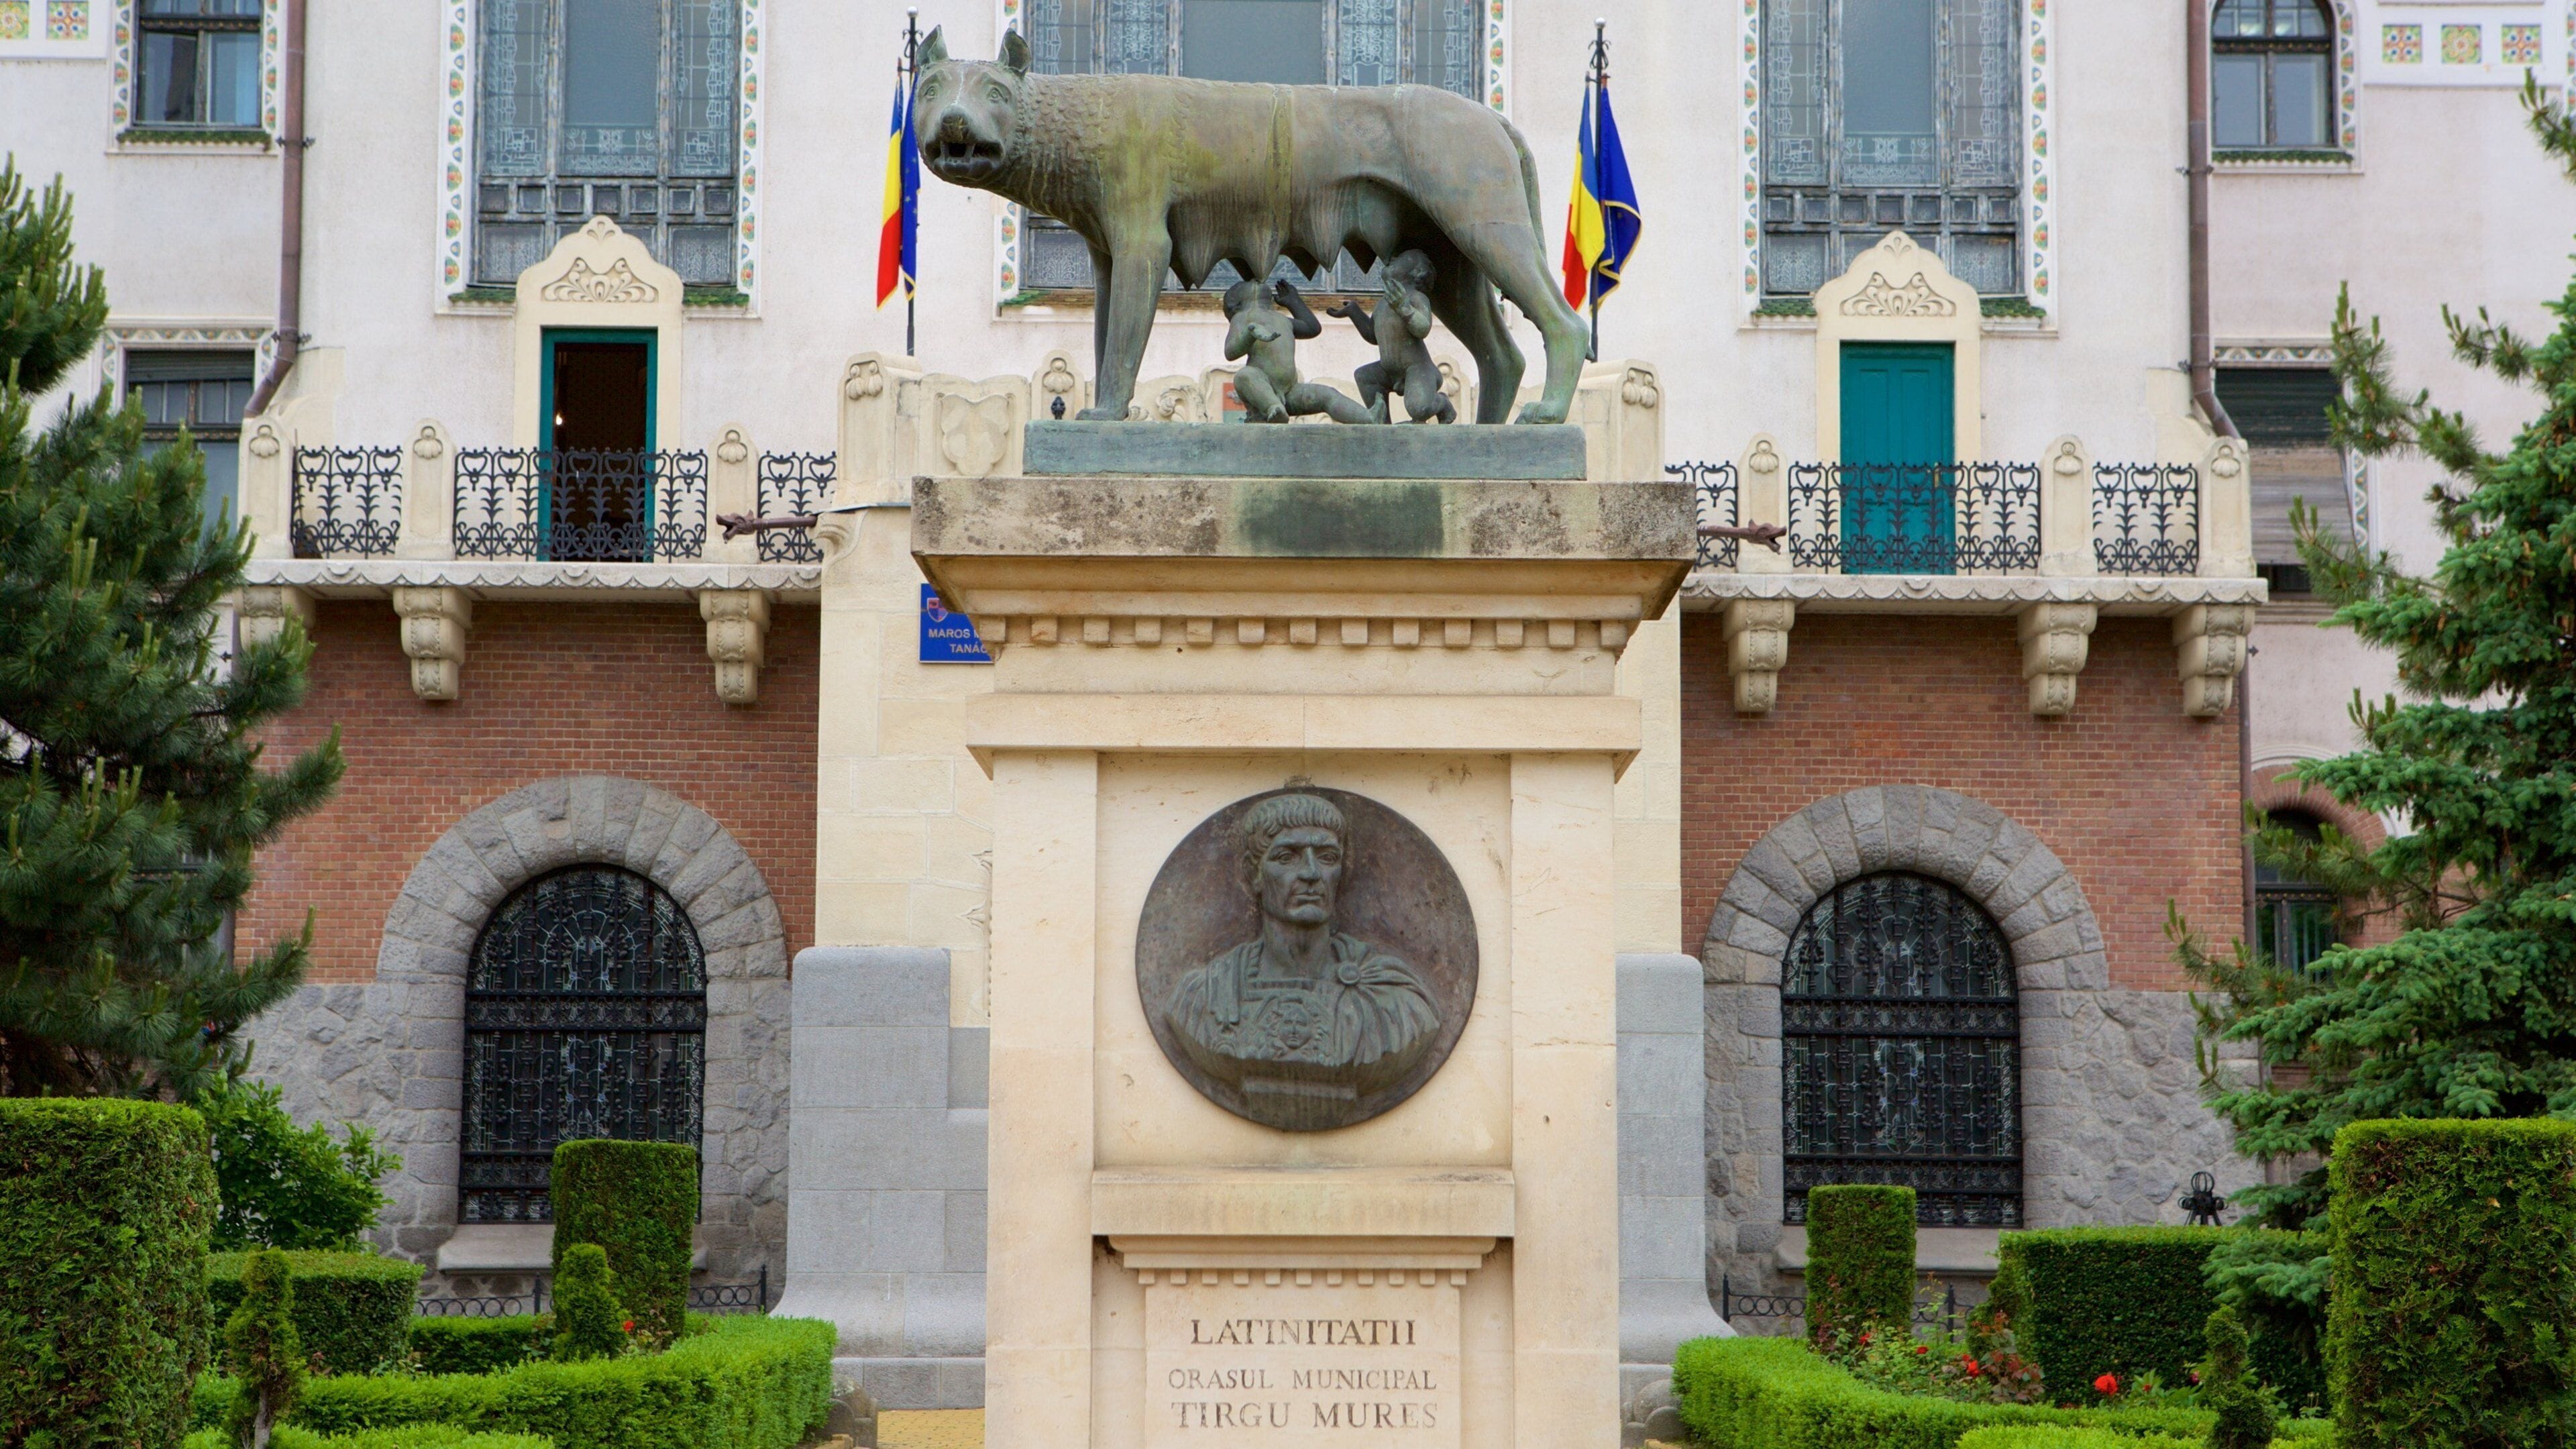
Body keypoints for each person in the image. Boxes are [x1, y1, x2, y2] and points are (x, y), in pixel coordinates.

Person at [1163, 794, 1438, 1122]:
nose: (1310, 873)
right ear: (1255, 873)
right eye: (1286, 856)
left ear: (1341, 871)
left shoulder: (1395, 1001)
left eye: (1326, 857)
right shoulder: (1202, 997)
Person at [1222, 277, 1378, 425]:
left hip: (1290, 393)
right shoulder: (1242, 318)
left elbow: (1312, 328)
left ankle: (1368, 417)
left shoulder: (1281, 319)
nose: (1256, 280)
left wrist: (1294, 302)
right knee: (1245, 375)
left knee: (1327, 395)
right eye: (1247, 282)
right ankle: (1273, 407)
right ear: (1236, 304)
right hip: (1263, 391)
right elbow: (1230, 353)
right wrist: (1249, 334)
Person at [1327, 250, 1457, 425]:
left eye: (1402, 258)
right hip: (1389, 370)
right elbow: (1373, 335)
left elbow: (1423, 329)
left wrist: (1404, 308)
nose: (1393, 259)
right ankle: (1383, 423)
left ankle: (1442, 403)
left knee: (1419, 410)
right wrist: (1354, 312)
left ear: (1418, 271)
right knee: (1364, 376)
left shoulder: (1416, 298)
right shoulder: (1383, 304)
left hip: (1418, 369)